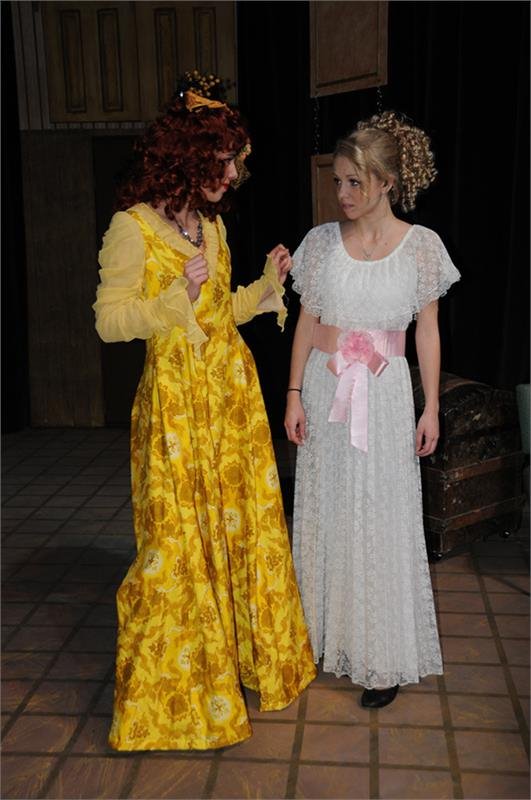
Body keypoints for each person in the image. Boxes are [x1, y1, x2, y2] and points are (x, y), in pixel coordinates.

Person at [93, 73, 316, 751]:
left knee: (240, 527)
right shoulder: (132, 228)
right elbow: (109, 321)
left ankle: (244, 661)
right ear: (187, 157)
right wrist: (170, 303)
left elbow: (220, 312)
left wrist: (266, 288)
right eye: (223, 160)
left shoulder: (211, 228)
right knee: (178, 541)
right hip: (175, 406)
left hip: (230, 400)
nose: (233, 174)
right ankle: (182, 697)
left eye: (236, 162)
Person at [284, 110, 460, 709]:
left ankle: (380, 655)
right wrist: (292, 394)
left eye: (355, 182)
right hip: (325, 387)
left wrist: (430, 408)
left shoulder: (423, 247)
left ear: (386, 182)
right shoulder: (319, 243)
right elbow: (306, 322)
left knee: (381, 518)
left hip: (384, 397)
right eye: (337, 181)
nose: (343, 193)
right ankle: (319, 637)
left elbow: (428, 331)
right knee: (326, 510)